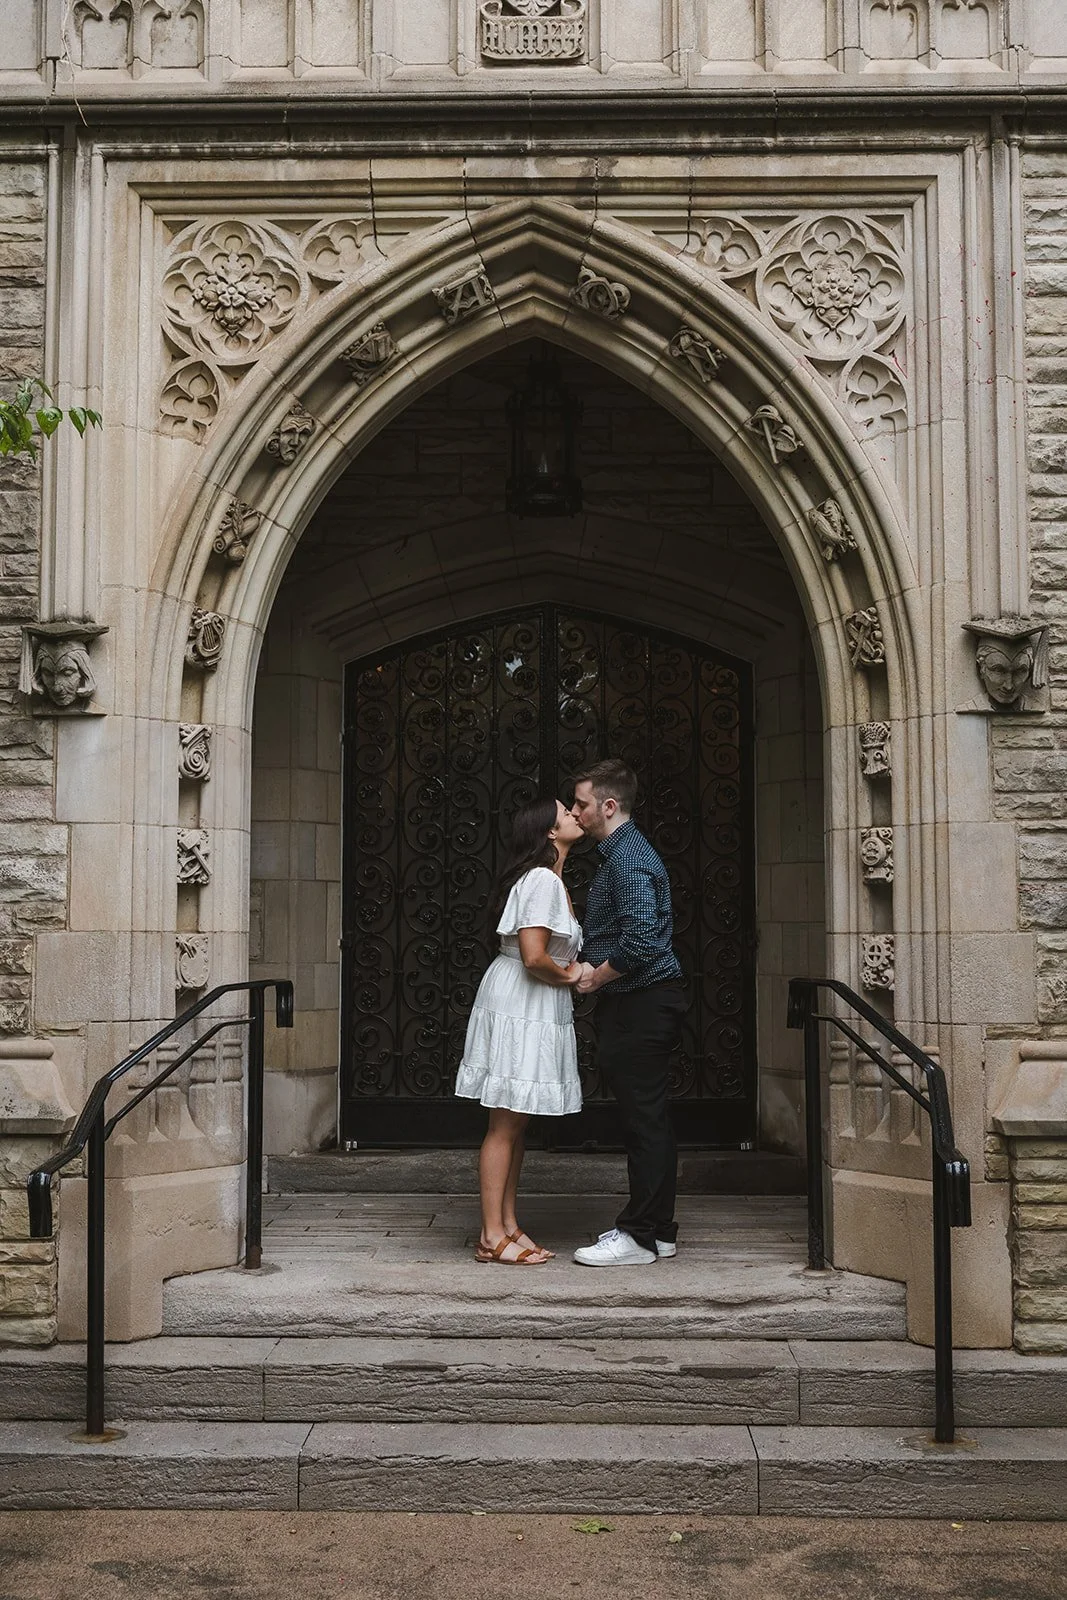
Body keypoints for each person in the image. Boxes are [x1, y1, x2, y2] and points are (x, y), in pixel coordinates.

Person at [455, 796, 585, 1265]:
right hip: (522, 1000)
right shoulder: (542, 879)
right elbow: (533, 956)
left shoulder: (549, 878)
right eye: (566, 812)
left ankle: (508, 1224)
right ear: (549, 831)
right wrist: (572, 975)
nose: (575, 814)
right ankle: (491, 1236)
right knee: (505, 1123)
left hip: (532, 1000)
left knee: (517, 1120)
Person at [569, 758, 687, 1266]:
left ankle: (638, 1236)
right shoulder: (621, 854)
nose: (576, 812)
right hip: (641, 1001)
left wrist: (596, 976)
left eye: (582, 804)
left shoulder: (629, 858)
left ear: (609, 806)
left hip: (642, 1002)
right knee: (649, 1119)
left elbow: (640, 939)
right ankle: (659, 1230)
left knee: (644, 1123)